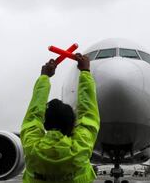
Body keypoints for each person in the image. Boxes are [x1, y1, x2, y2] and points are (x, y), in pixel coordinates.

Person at [21, 53, 100, 183]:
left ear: (44, 123)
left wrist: (44, 77)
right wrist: (85, 72)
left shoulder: (32, 147)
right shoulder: (80, 147)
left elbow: (33, 114)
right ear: (72, 124)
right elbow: (89, 113)